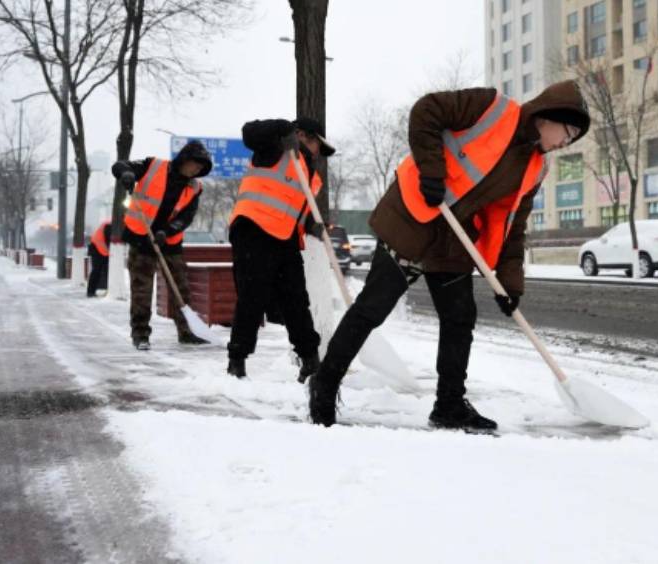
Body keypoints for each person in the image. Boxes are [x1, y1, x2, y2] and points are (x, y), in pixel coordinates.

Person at [308, 80, 590, 431]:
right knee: (373, 307)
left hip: (454, 239)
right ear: (549, 117)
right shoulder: (491, 107)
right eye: (569, 131)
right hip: (415, 214)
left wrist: (509, 284)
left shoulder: (536, 168)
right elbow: (426, 111)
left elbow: (512, 228)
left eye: (574, 138)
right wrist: (431, 170)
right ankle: (325, 383)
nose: (567, 142)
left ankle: (449, 405)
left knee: (460, 317)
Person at [226, 118, 335, 381]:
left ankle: (310, 359)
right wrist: (283, 130)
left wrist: (315, 227)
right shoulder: (273, 150)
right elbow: (248, 132)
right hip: (252, 231)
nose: (319, 153)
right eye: (317, 144)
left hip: (284, 239)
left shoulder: (310, 175)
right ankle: (236, 361)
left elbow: (297, 211)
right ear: (301, 135)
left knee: (297, 301)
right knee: (252, 298)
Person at [111, 140, 213, 350]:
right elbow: (120, 165)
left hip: (169, 242)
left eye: (200, 168)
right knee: (142, 290)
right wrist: (126, 174)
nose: (196, 170)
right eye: (195, 164)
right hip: (141, 237)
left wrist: (166, 232)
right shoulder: (153, 166)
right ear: (184, 159)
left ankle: (186, 332)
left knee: (181, 288)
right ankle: (140, 334)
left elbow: (186, 217)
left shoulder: (194, 188)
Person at [86, 220, 111, 297]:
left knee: (99, 271)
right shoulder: (109, 225)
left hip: (99, 250)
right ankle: (90, 291)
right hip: (98, 250)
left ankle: (92, 291)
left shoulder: (107, 224)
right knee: (97, 271)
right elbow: (109, 240)